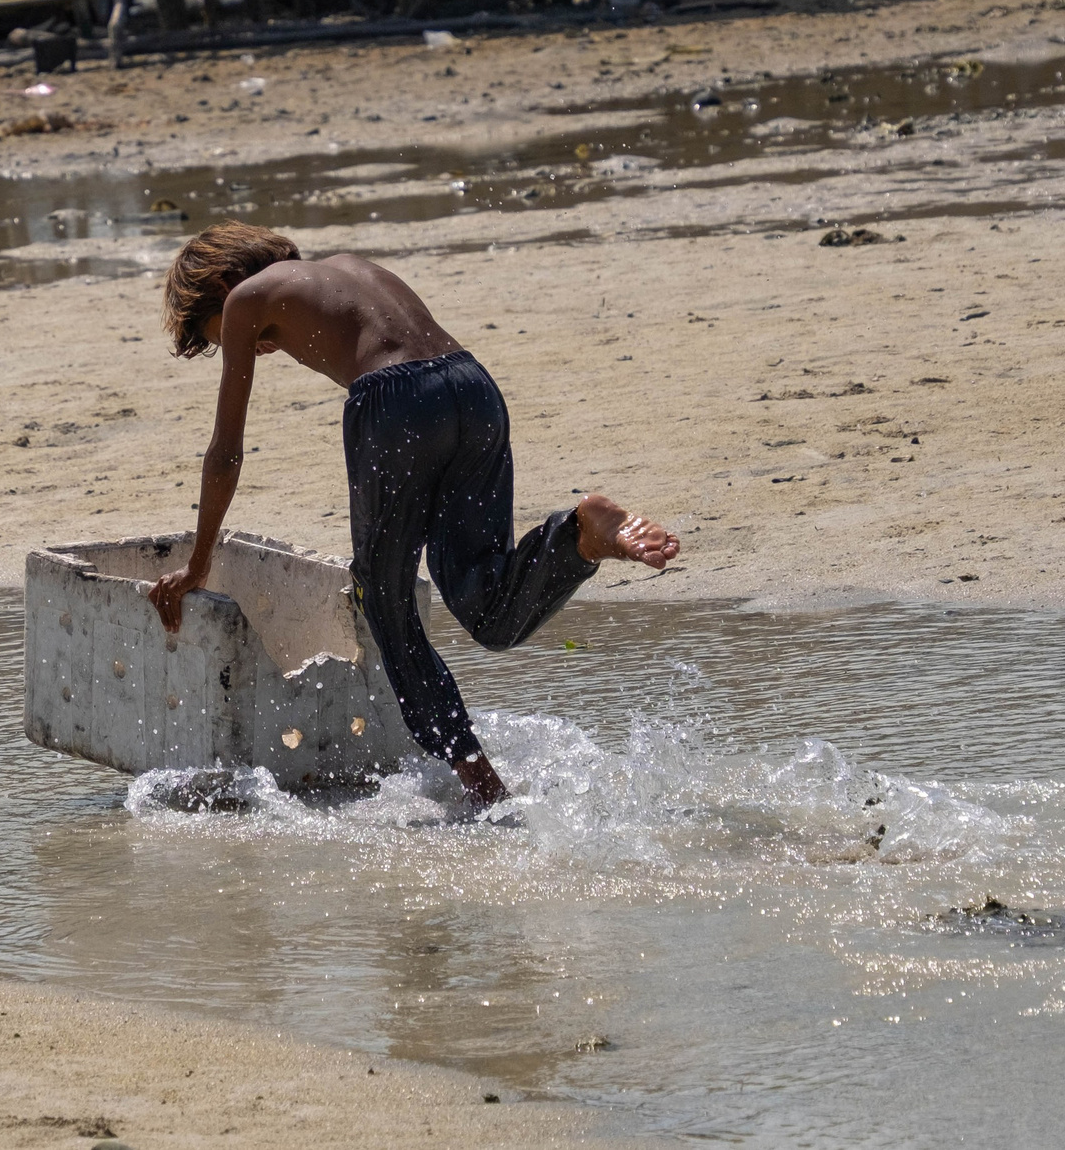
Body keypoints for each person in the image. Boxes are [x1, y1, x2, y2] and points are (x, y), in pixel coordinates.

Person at [148, 224, 680, 810]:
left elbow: (226, 453)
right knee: (488, 608)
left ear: (225, 283)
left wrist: (198, 565)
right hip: (473, 388)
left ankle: (481, 785)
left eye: (221, 336)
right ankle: (577, 536)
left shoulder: (247, 297)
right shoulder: (351, 266)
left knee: (383, 594)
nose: (250, 348)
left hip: (395, 403)